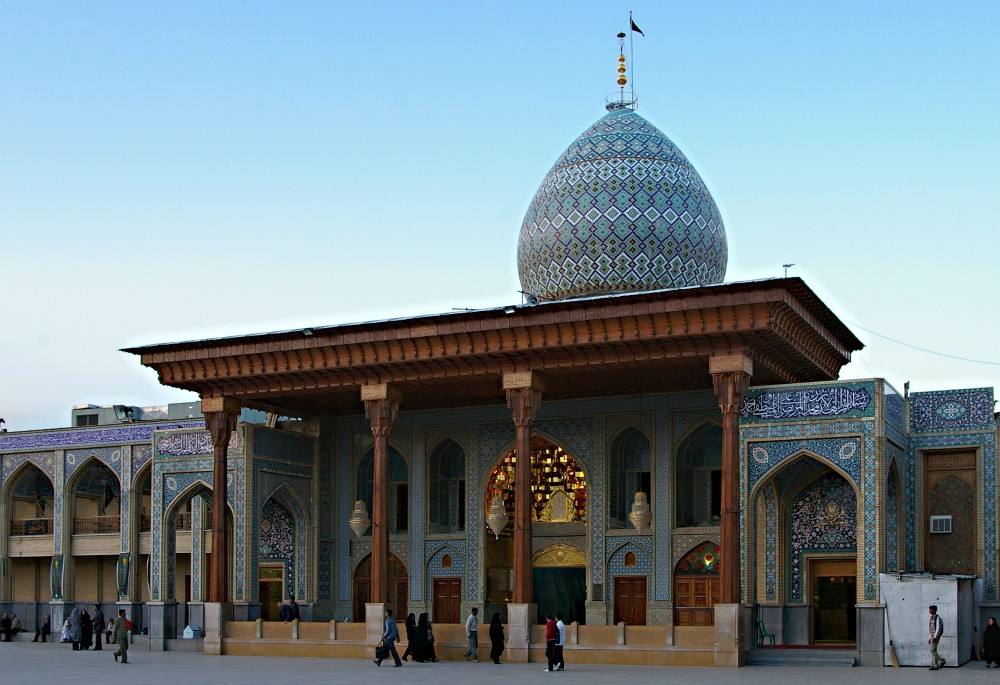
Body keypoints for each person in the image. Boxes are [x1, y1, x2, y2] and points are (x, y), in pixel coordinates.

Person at [928, 604, 945, 670]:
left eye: (931, 609)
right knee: (934, 650)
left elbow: (939, 628)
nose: (929, 611)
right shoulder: (931, 618)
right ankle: (934, 666)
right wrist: (930, 637)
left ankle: (942, 660)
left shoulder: (938, 618)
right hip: (932, 636)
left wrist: (935, 637)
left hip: (936, 636)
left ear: (934, 610)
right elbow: (930, 628)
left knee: (932, 650)